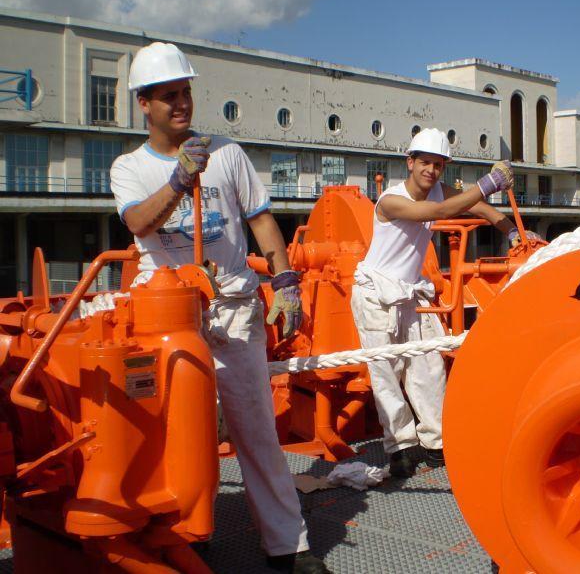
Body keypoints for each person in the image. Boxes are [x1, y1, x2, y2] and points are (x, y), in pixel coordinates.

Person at [110, 42, 329, 574]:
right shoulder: (129, 167)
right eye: (168, 97)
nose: (181, 104)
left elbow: (260, 221)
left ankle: (287, 546)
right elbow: (139, 223)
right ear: (144, 103)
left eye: (185, 92)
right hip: (167, 320)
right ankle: (186, 535)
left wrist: (285, 281)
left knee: (255, 429)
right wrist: (180, 179)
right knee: (175, 435)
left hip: (232, 310)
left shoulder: (227, 154)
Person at [351, 127, 538, 478]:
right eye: (425, 163)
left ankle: (436, 442)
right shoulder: (390, 200)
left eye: (438, 165)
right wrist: (486, 182)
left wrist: (512, 231)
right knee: (386, 374)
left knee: (428, 367)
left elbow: (477, 205)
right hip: (376, 295)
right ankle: (401, 446)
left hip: (410, 293)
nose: (431, 171)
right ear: (410, 162)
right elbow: (432, 212)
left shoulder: (438, 191)